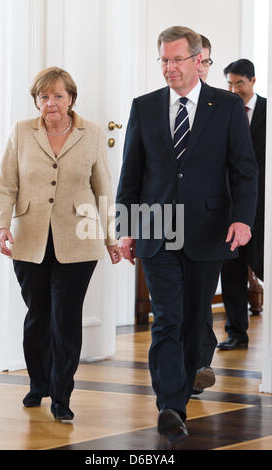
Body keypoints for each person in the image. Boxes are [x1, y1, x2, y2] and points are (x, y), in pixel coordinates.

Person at [116, 26, 258, 442]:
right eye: (163, 59)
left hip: (208, 229)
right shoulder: (143, 107)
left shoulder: (228, 106)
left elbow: (244, 170)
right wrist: (126, 230)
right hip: (156, 230)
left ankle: (187, 382)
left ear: (198, 61)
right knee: (167, 319)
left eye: (176, 59)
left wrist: (242, 219)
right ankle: (170, 407)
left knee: (195, 318)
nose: (168, 67)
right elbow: (131, 175)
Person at [0, 66, 121, 422]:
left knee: (65, 318)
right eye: (43, 97)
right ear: (36, 100)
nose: (50, 103)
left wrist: (111, 238)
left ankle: (62, 395)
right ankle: (39, 384)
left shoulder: (92, 133)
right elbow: (5, 184)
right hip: (29, 238)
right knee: (38, 315)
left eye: (58, 96)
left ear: (71, 98)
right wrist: (2, 226)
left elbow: (103, 189)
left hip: (79, 241)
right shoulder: (21, 132)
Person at [217, 59, 266, 350]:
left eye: (240, 83)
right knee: (231, 271)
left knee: (262, 264)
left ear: (253, 81)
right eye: (230, 83)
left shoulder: (269, 111)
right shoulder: (222, 112)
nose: (234, 89)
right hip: (230, 205)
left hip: (263, 207)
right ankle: (237, 332)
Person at [192, 34, 217, 394]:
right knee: (171, 308)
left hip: (211, 222)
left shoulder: (221, 107)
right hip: (164, 220)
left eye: (206, 62)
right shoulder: (154, 107)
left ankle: (199, 362)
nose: (201, 68)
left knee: (199, 299)